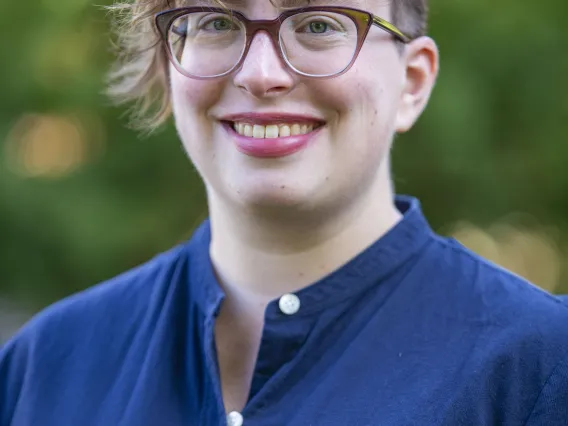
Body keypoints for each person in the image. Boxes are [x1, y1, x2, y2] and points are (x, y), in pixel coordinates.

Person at [1, 0, 568, 424]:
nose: (260, 73)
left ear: (412, 84)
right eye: (217, 22)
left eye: (319, 23)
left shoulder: (535, 367)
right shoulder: (44, 367)